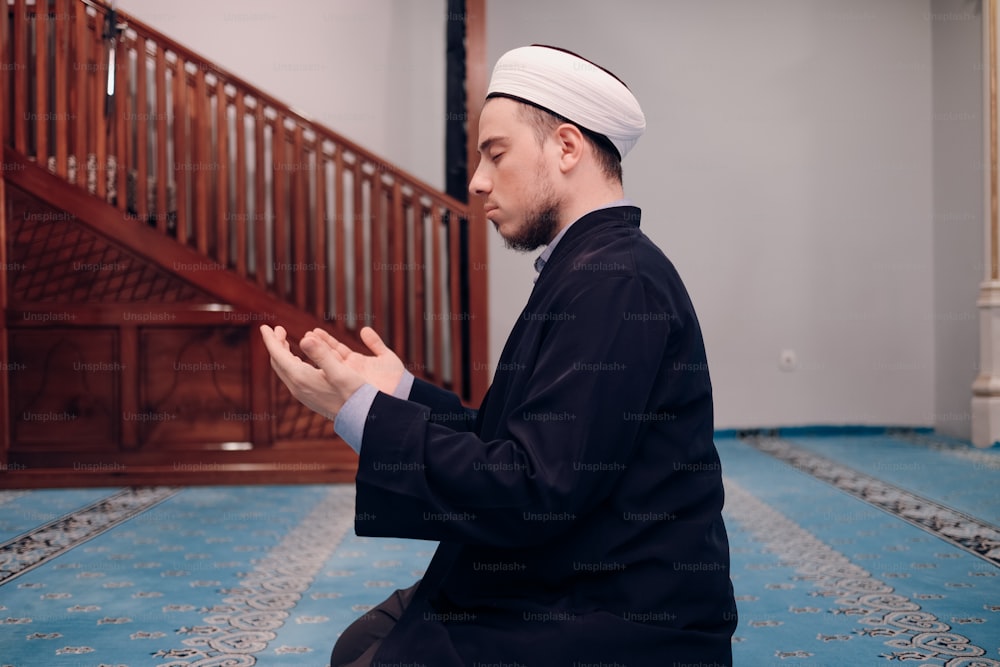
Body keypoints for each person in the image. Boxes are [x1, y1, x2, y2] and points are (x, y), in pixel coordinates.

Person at [261, 44, 737, 667]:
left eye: (496, 153)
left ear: (566, 148)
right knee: (363, 643)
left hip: (616, 610)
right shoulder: (589, 268)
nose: (478, 180)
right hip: (569, 571)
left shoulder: (616, 282)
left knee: (370, 657)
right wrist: (400, 393)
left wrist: (363, 414)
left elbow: (535, 490)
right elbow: (516, 445)